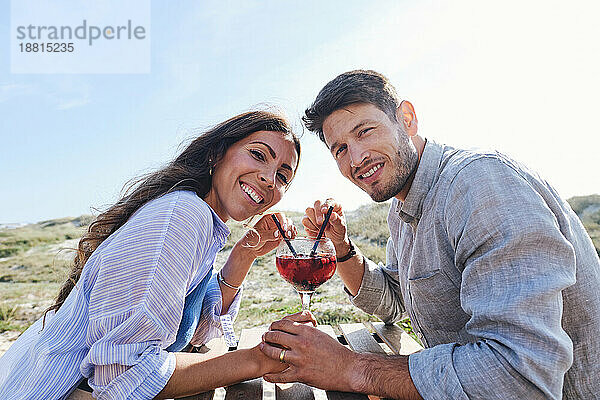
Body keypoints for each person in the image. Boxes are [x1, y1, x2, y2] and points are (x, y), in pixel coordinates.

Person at [259, 70, 600, 399]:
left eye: (364, 131)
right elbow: (394, 301)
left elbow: (518, 377)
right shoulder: (401, 210)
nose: (357, 158)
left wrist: (350, 367)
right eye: (340, 149)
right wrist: (342, 247)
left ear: (406, 119)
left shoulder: (478, 184)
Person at [0, 110, 306, 400]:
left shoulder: (199, 217)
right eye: (258, 154)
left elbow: (193, 332)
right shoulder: (183, 215)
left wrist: (243, 256)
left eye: (282, 176)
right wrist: (259, 360)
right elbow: (124, 377)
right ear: (216, 153)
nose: (269, 177)